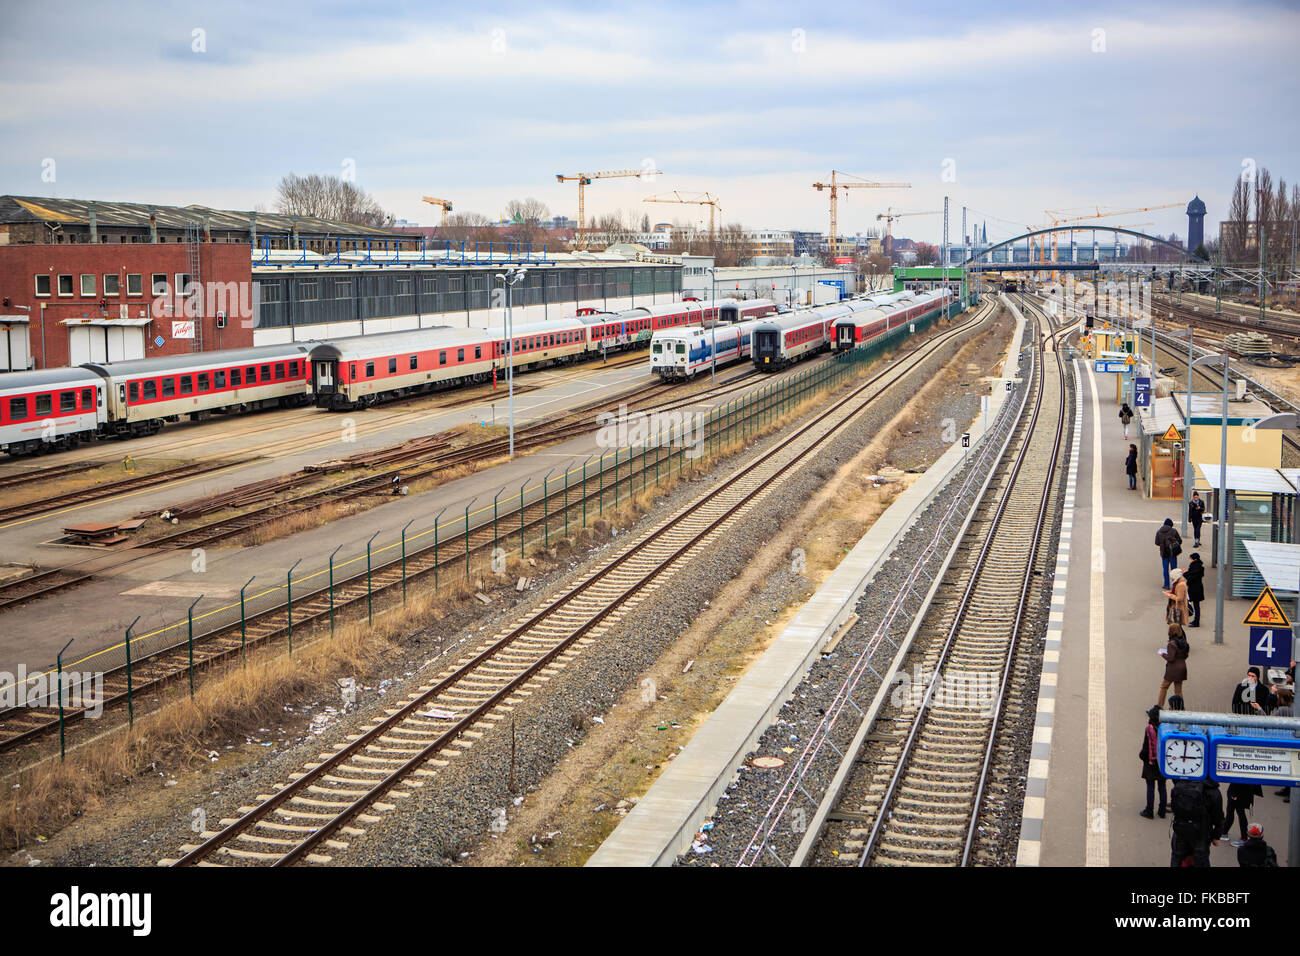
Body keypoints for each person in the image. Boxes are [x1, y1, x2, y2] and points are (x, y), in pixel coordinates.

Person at [1170, 777, 1223, 867]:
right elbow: (1218, 816)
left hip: (1180, 830)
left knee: (1177, 858)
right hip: (1201, 833)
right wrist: (1216, 836)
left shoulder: (1181, 782)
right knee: (1201, 861)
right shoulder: (1212, 790)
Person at [1139, 705, 1167, 819]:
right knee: (1162, 787)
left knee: (1150, 787)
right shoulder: (1165, 728)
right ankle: (1162, 810)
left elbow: (1146, 746)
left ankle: (1149, 810)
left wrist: (1142, 756)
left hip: (1150, 762)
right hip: (1162, 763)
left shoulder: (1149, 728)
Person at [1157, 623, 1189, 707]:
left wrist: (1162, 654)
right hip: (1182, 668)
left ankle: (1159, 706)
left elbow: (1171, 658)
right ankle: (1179, 708)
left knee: (1164, 687)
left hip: (1173, 669)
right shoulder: (1184, 643)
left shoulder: (1172, 644)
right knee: (1178, 690)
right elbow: (1186, 655)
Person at [1223, 781, 1262, 846]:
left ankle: (1243, 838)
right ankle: (1224, 832)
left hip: (1239, 791)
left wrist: (1234, 793)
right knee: (1234, 811)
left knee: (1237, 813)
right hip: (1243, 789)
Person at [1154, 518, 1182, 589]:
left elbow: (1156, 542)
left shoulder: (1159, 531)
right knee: (1174, 569)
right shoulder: (1174, 531)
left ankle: (1166, 584)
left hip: (1164, 553)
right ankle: (1175, 585)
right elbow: (1180, 541)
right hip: (1173, 553)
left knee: (1165, 569)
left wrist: (1162, 545)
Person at [1183, 553, 1205, 627]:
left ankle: (1196, 621)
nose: (1190, 560)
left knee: (1196, 606)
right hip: (1197, 588)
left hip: (1195, 589)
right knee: (1196, 605)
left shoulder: (1195, 567)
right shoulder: (1198, 566)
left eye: (1190, 558)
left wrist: (1185, 573)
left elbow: (1190, 576)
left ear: (1194, 559)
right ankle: (1196, 620)